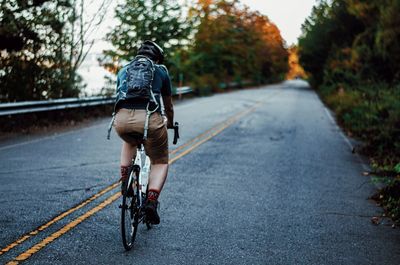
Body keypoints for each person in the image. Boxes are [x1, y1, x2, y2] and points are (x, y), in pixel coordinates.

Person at [113, 40, 174, 224]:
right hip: (149, 119)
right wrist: (169, 122)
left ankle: (125, 180)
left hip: (122, 119)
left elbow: (118, 95)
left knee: (130, 139)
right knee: (160, 161)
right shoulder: (160, 70)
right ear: (156, 58)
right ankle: (151, 202)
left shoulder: (124, 70)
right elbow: (168, 105)